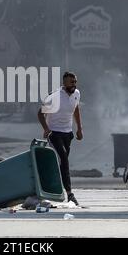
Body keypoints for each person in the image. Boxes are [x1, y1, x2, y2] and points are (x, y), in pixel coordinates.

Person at [38, 71, 84, 206]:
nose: (74, 85)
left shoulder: (77, 94)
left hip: (67, 134)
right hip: (54, 133)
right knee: (64, 160)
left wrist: (80, 128)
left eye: (75, 82)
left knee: (61, 165)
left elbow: (76, 109)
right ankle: (70, 194)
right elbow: (40, 114)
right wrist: (46, 129)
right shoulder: (55, 97)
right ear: (64, 83)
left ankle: (48, 188)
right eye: (71, 82)